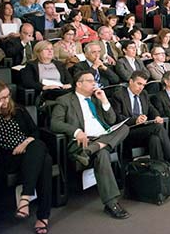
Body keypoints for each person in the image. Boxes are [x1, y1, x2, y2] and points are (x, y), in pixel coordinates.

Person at [51, 71, 131, 219]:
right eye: (89, 81)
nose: (93, 83)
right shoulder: (65, 100)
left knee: (125, 128)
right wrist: (76, 131)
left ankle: (90, 151)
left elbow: (112, 120)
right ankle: (111, 203)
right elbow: (55, 123)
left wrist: (104, 100)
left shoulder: (96, 99)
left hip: (101, 137)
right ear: (78, 84)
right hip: (83, 141)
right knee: (102, 153)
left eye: (94, 81)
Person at [0, 81, 52, 234]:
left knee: (38, 148)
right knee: (45, 160)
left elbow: (34, 132)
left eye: (7, 96)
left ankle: (25, 198)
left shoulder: (18, 109)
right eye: (1, 98)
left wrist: (25, 143)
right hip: (8, 157)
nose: (6, 101)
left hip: (28, 150)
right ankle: (43, 216)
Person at [110, 71, 170, 178]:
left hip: (144, 130)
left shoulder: (144, 94)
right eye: (139, 83)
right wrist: (135, 120)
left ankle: (159, 174)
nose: (141, 87)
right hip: (128, 131)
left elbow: (151, 109)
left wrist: (156, 116)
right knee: (157, 128)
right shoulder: (119, 96)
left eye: (143, 85)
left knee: (155, 139)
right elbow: (117, 118)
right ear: (130, 81)